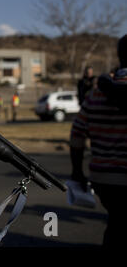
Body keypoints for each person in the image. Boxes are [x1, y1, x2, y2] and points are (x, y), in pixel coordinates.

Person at [70, 35, 127, 247]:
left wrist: (77, 172)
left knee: (116, 224)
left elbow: (76, 137)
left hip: (103, 179)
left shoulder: (95, 94)